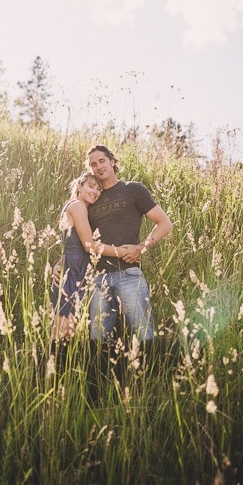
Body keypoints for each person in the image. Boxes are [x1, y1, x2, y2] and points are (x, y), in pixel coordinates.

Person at [53, 145, 173, 346]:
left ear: (112, 161)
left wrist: (141, 248)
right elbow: (80, 239)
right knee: (98, 341)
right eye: (93, 164)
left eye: (102, 160)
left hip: (128, 275)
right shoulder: (90, 201)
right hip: (97, 279)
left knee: (144, 335)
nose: (98, 166)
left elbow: (165, 223)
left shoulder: (133, 190)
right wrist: (61, 262)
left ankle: (147, 376)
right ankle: (103, 377)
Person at [51, 170, 131, 342]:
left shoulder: (77, 208)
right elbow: (88, 246)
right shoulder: (78, 206)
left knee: (67, 335)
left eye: (99, 189)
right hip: (73, 273)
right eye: (91, 186)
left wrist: (59, 263)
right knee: (62, 335)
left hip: (75, 269)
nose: (95, 192)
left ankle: (55, 366)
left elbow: (70, 245)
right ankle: (47, 367)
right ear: (79, 186)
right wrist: (123, 252)